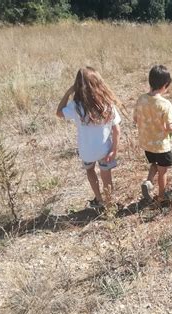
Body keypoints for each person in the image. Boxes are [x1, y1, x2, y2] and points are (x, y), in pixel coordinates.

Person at [56, 67, 122, 208]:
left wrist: (68, 92)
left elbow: (59, 112)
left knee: (90, 170)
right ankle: (110, 203)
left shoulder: (77, 106)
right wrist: (114, 149)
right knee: (106, 176)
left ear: (77, 86)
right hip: (105, 150)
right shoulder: (107, 103)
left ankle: (98, 199)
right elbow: (116, 129)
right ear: (99, 83)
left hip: (86, 151)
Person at [134, 65, 172, 203]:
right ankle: (162, 196)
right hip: (161, 145)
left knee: (154, 164)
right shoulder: (165, 104)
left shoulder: (141, 99)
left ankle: (148, 181)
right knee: (163, 171)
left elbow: (136, 119)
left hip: (147, 143)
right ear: (165, 85)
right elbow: (170, 126)